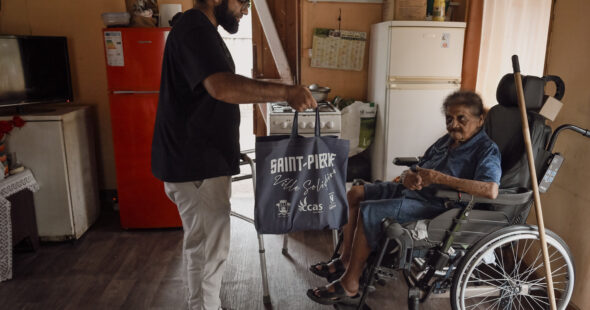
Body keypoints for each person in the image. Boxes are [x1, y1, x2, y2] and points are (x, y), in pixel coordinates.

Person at [150, 1, 317, 309]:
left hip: (197, 161)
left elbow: (209, 94)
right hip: (195, 164)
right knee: (206, 251)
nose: (245, 10)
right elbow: (222, 87)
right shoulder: (195, 29)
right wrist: (286, 92)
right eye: (242, 2)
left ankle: (205, 304)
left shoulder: (200, 30)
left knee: (205, 247)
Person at [306, 91, 501, 305]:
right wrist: (409, 176)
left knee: (369, 210)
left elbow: (490, 190)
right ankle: (345, 260)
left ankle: (351, 283)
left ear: (480, 120)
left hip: (437, 206)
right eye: (449, 118)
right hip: (412, 191)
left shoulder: (487, 150)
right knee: (354, 194)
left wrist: (439, 178)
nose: (453, 124)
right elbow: (420, 164)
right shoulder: (447, 140)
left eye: (461, 118)